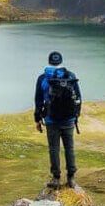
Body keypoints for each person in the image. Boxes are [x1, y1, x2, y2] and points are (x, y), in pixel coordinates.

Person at [34, 51, 82, 189]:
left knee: (54, 149)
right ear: (61, 62)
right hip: (68, 119)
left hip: (51, 120)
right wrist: (76, 116)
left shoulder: (43, 78)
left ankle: (56, 179)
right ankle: (71, 178)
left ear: (49, 61)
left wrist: (38, 120)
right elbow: (78, 97)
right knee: (69, 148)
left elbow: (38, 101)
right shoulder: (70, 76)